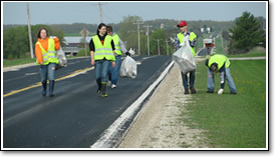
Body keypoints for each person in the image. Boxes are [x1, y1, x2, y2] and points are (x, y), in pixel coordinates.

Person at [89, 23, 116, 97]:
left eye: (105, 29)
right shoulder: (94, 38)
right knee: (98, 76)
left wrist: (113, 60)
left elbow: (113, 50)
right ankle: (100, 87)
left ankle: (104, 92)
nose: (104, 31)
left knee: (104, 74)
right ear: (99, 29)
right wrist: (92, 59)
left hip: (106, 59)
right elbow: (92, 50)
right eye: (103, 29)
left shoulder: (109, 38)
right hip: (98, 59)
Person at [35, 28, 60, 97]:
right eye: (42, 33)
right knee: (43, 78)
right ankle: (44, 89)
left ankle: (51, 91)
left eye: (45, 33)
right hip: (43, 63)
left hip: (52, 62)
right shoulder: (38, 43)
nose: (44, 34)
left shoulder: (51, 41)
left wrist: (57, 40)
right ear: (40, 34)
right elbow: (38, 52)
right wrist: (40, 60)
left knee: (51, 76)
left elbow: (57, 47)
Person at [174, 21, 197, 94]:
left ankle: (192, 86)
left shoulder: (192, 34)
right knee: (184, 72)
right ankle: (186, 88)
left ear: (186, 26)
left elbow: (193, 44)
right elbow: (176, 46)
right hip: (182, 56)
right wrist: (182, 44)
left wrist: (188, 41)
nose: (181, 28)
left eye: (182, 26)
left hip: (190, 56)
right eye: (180, 27)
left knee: (192, 72)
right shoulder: (178, 36)